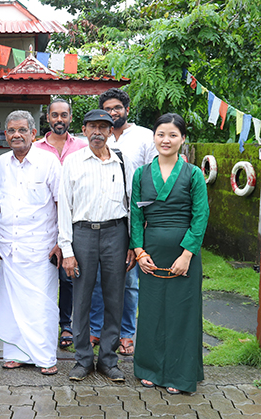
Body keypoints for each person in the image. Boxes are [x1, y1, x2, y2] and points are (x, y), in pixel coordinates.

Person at [131, 113, 209, 394]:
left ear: (182, 139)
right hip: (151, 252)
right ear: (154, 137)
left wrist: (187, 254)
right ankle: (149, 369)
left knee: (181, 312)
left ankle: (180, 375)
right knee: (151, 312)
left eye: (173, 135)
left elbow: (200, 216)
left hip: (183, 253)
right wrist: (139, 252)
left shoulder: (194, 174)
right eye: (161, 134)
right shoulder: (141, 173)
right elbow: (136, 217)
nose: (166, 140)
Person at [58, 109, 136, 382]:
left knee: (115, 296)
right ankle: (82, 359)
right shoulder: (73, 162)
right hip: (83, 235)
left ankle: (108, 360)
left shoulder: (122, 163)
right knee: (82, 298)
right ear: (84, 129)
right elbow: (64, 209)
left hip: (116, 234)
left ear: (111, 131)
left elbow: (131, 206)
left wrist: (132, 244)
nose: (98, 132)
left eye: (104, 127)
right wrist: (67, 250)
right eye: (93, 127)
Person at [0, 110, 62, 375]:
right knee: (11, 302)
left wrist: (62, 242)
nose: (16, 135)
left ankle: (45, 357)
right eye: (11, 130)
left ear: (33, 133)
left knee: (39, 304)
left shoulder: (48, 162)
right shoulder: (0, 163)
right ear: (6, 134)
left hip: (41, 247)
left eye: (22, 130)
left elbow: (61, 203)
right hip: (10, 245)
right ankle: (16, 354)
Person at [89, 88, 158, 355]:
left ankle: (126, 333)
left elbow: (152, 175)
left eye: (118, 108)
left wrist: (144, 222)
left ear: (127, 110)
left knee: (129, 280)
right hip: (99, 217)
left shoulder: (143, 137)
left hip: (131, 217)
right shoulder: (98, 135)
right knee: (96, 279)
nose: (113, 112)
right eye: (108, 109)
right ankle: (96, 329)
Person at [33, 98, 88, 350]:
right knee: (43, 277)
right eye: (54, 115)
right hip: (43, 223)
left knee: (68, 276)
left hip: (76, 221)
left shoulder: (83, 146)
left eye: (64, 115)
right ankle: (43, 324)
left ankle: (66, 324)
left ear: (70, 118)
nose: (59, 120)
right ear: (47, 118)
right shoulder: (36, 149)